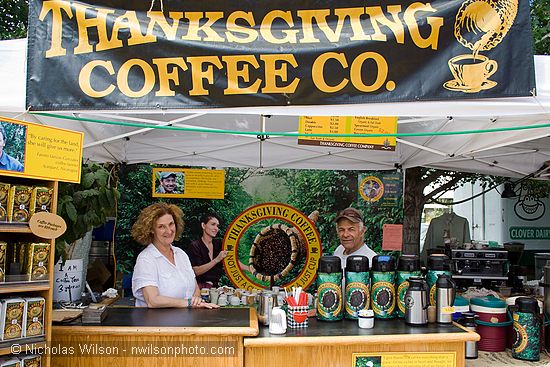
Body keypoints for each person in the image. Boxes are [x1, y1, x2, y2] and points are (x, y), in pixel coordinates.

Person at [131, 202, 218, 309]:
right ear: (151, 230)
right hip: (156, 324)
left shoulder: (181, 254)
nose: (169, 230)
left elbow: (195, 289)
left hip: (185, 323)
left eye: (171, 224)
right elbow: (153, 301)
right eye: (161, 226)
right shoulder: (146, 259)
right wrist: (189, 302)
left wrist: (196, 299)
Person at [186, 213, 228, 288]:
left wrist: (249, 268)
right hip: (199, 289)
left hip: (216, 288)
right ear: (203, 225)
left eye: (217, 226)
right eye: (213, 224)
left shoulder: (218, 244)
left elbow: (232, 260)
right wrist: (216, 260)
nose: (216, 228)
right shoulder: (195, 246)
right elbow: (195, 271)